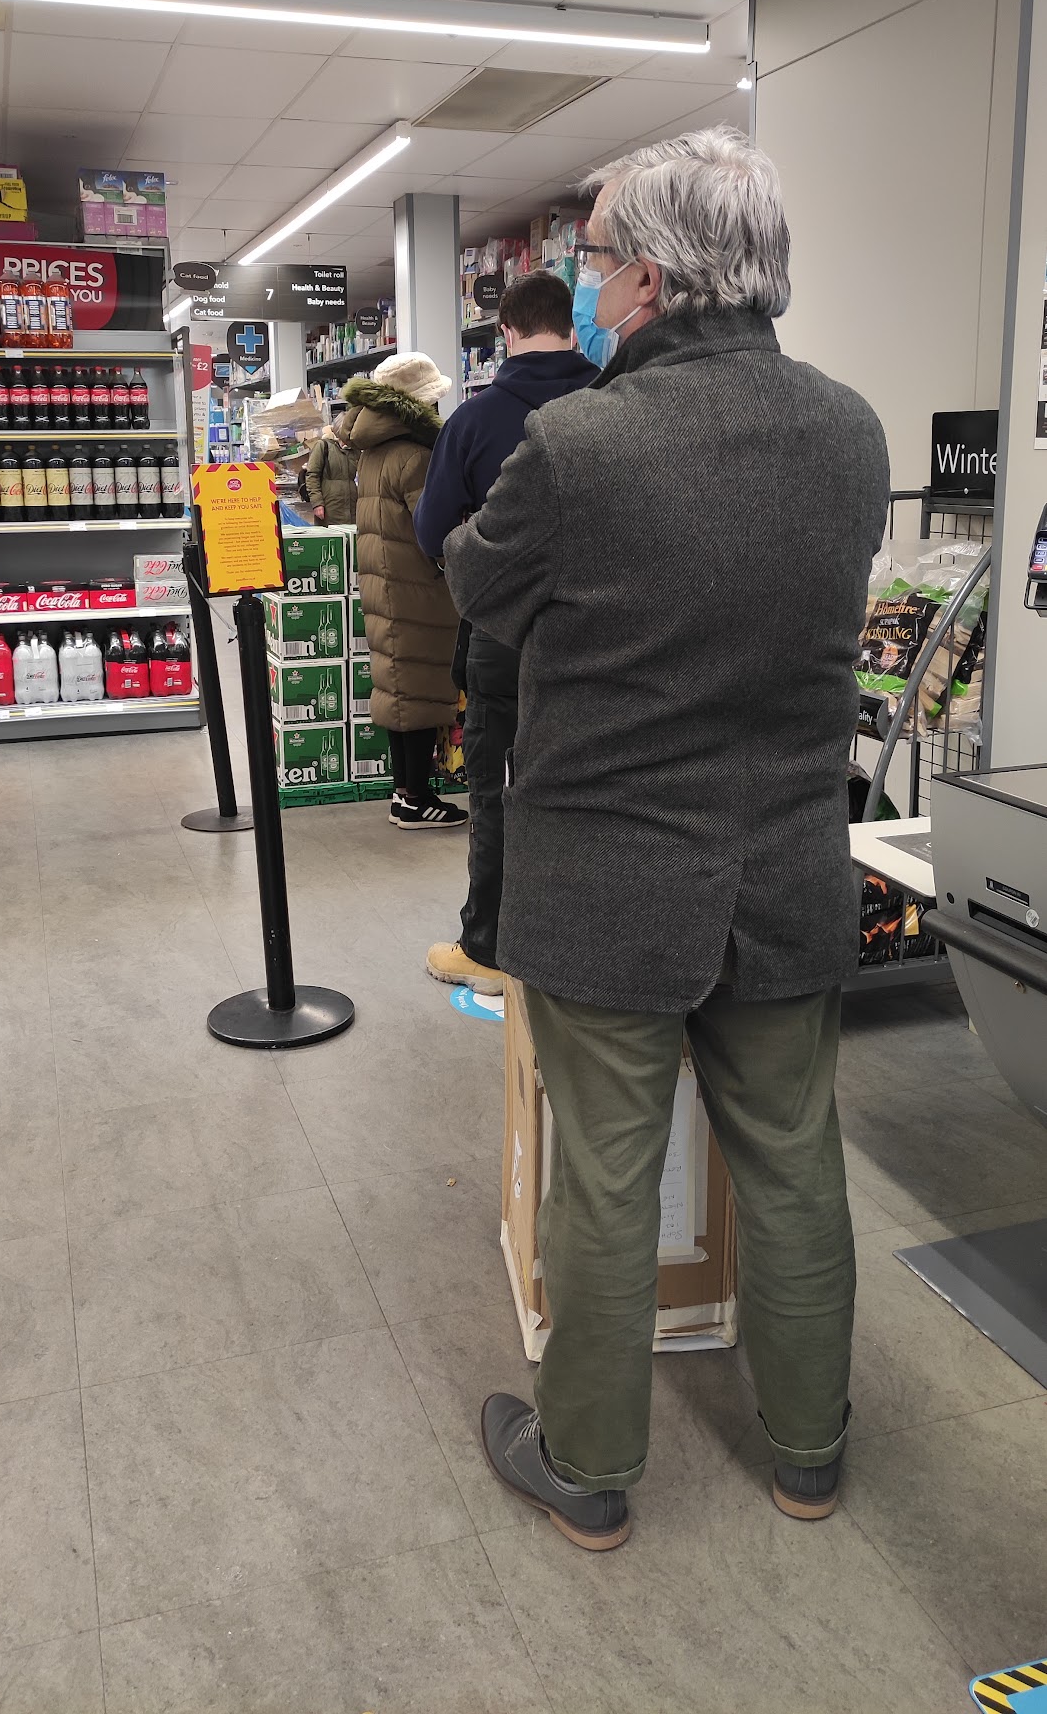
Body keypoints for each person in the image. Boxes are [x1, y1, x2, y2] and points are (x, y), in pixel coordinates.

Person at [442, 127, 890, 1550]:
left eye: (589, 261)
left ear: (643, 278)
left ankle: (587, 1467)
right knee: (794, 1161)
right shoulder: (850, 430)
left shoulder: (573, 448)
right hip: (788, 867)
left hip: (608, 887)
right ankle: (810, 1451)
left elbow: (476, 585)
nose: (580, 284)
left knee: (606, 1180)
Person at [414, 271, 597, 992]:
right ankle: (583, 944)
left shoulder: (475, 418)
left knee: (493, 791)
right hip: (605, 639)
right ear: (574, 328)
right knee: (593, 790)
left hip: (503, 633)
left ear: (507, 335)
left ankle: (488, 949)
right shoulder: (612, 400)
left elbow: (432, 531)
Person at [339, 353, 466, 829]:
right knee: (417, 693)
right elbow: (433, 530)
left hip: (386, 584)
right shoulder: (415, 456)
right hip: (416, 587)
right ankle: (416, 797)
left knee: (398, 689)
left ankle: (403, 792)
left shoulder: (374, 452)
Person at [305, 417, 358, 524]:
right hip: (329, 506)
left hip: (351, 507)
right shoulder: (323, 446)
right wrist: (317, 503)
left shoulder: (355, 450)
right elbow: (312, 475)